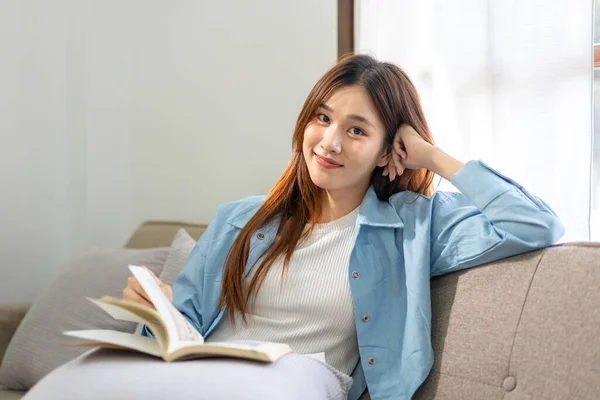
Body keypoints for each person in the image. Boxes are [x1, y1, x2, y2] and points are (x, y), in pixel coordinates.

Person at [120, 53, 565, 400]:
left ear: (388, 148)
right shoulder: (239, 218)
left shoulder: (413, 227)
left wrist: (433, 156)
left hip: (294, 384)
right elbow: (179, 341)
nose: (329, 142)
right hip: (198, 380)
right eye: (323, 118)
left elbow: (533, 223)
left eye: (356, 131)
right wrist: (157, 313)